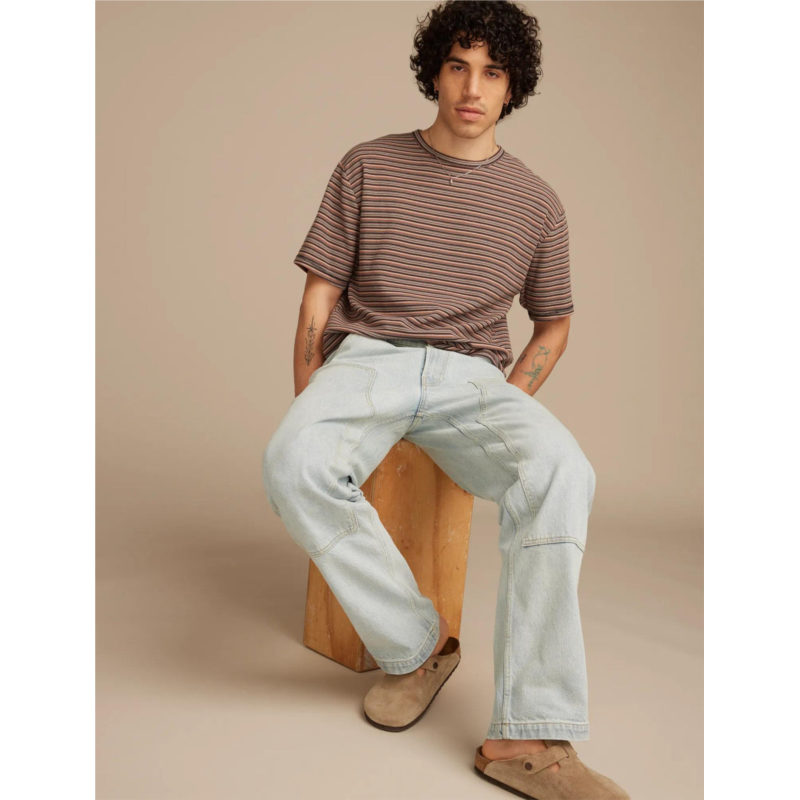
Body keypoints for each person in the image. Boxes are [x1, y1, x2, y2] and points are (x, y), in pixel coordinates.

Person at [262, 1, 630, 797]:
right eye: (458, 66)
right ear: (434, 72)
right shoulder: (367, 164)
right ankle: (418, 644)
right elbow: (319, 297)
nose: (472, 87)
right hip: (367, 360)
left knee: (563, 471)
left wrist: (509, 401)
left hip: (472, 378)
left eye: (493, 73)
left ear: (513, 88)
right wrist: (309, 403)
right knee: (292, 462)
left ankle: (526, 733)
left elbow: (554, 325)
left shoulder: (537, 201)